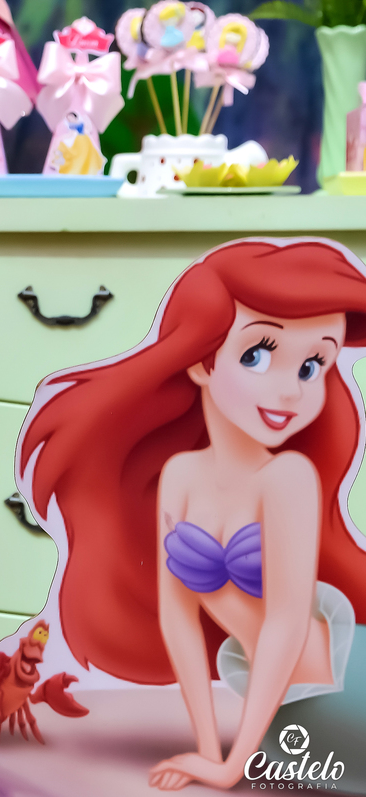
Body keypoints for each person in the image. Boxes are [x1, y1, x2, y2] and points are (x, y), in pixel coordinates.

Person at [19, 239, 366, 791]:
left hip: (341, 688)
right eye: (257, 355)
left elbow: (286, 624)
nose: (290, 390)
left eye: (311, 366)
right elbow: (177, 617)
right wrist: (208, 750)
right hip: (271, 699)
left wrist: (230, 764)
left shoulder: (288, 478)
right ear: (203, 361)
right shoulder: (180, 475)